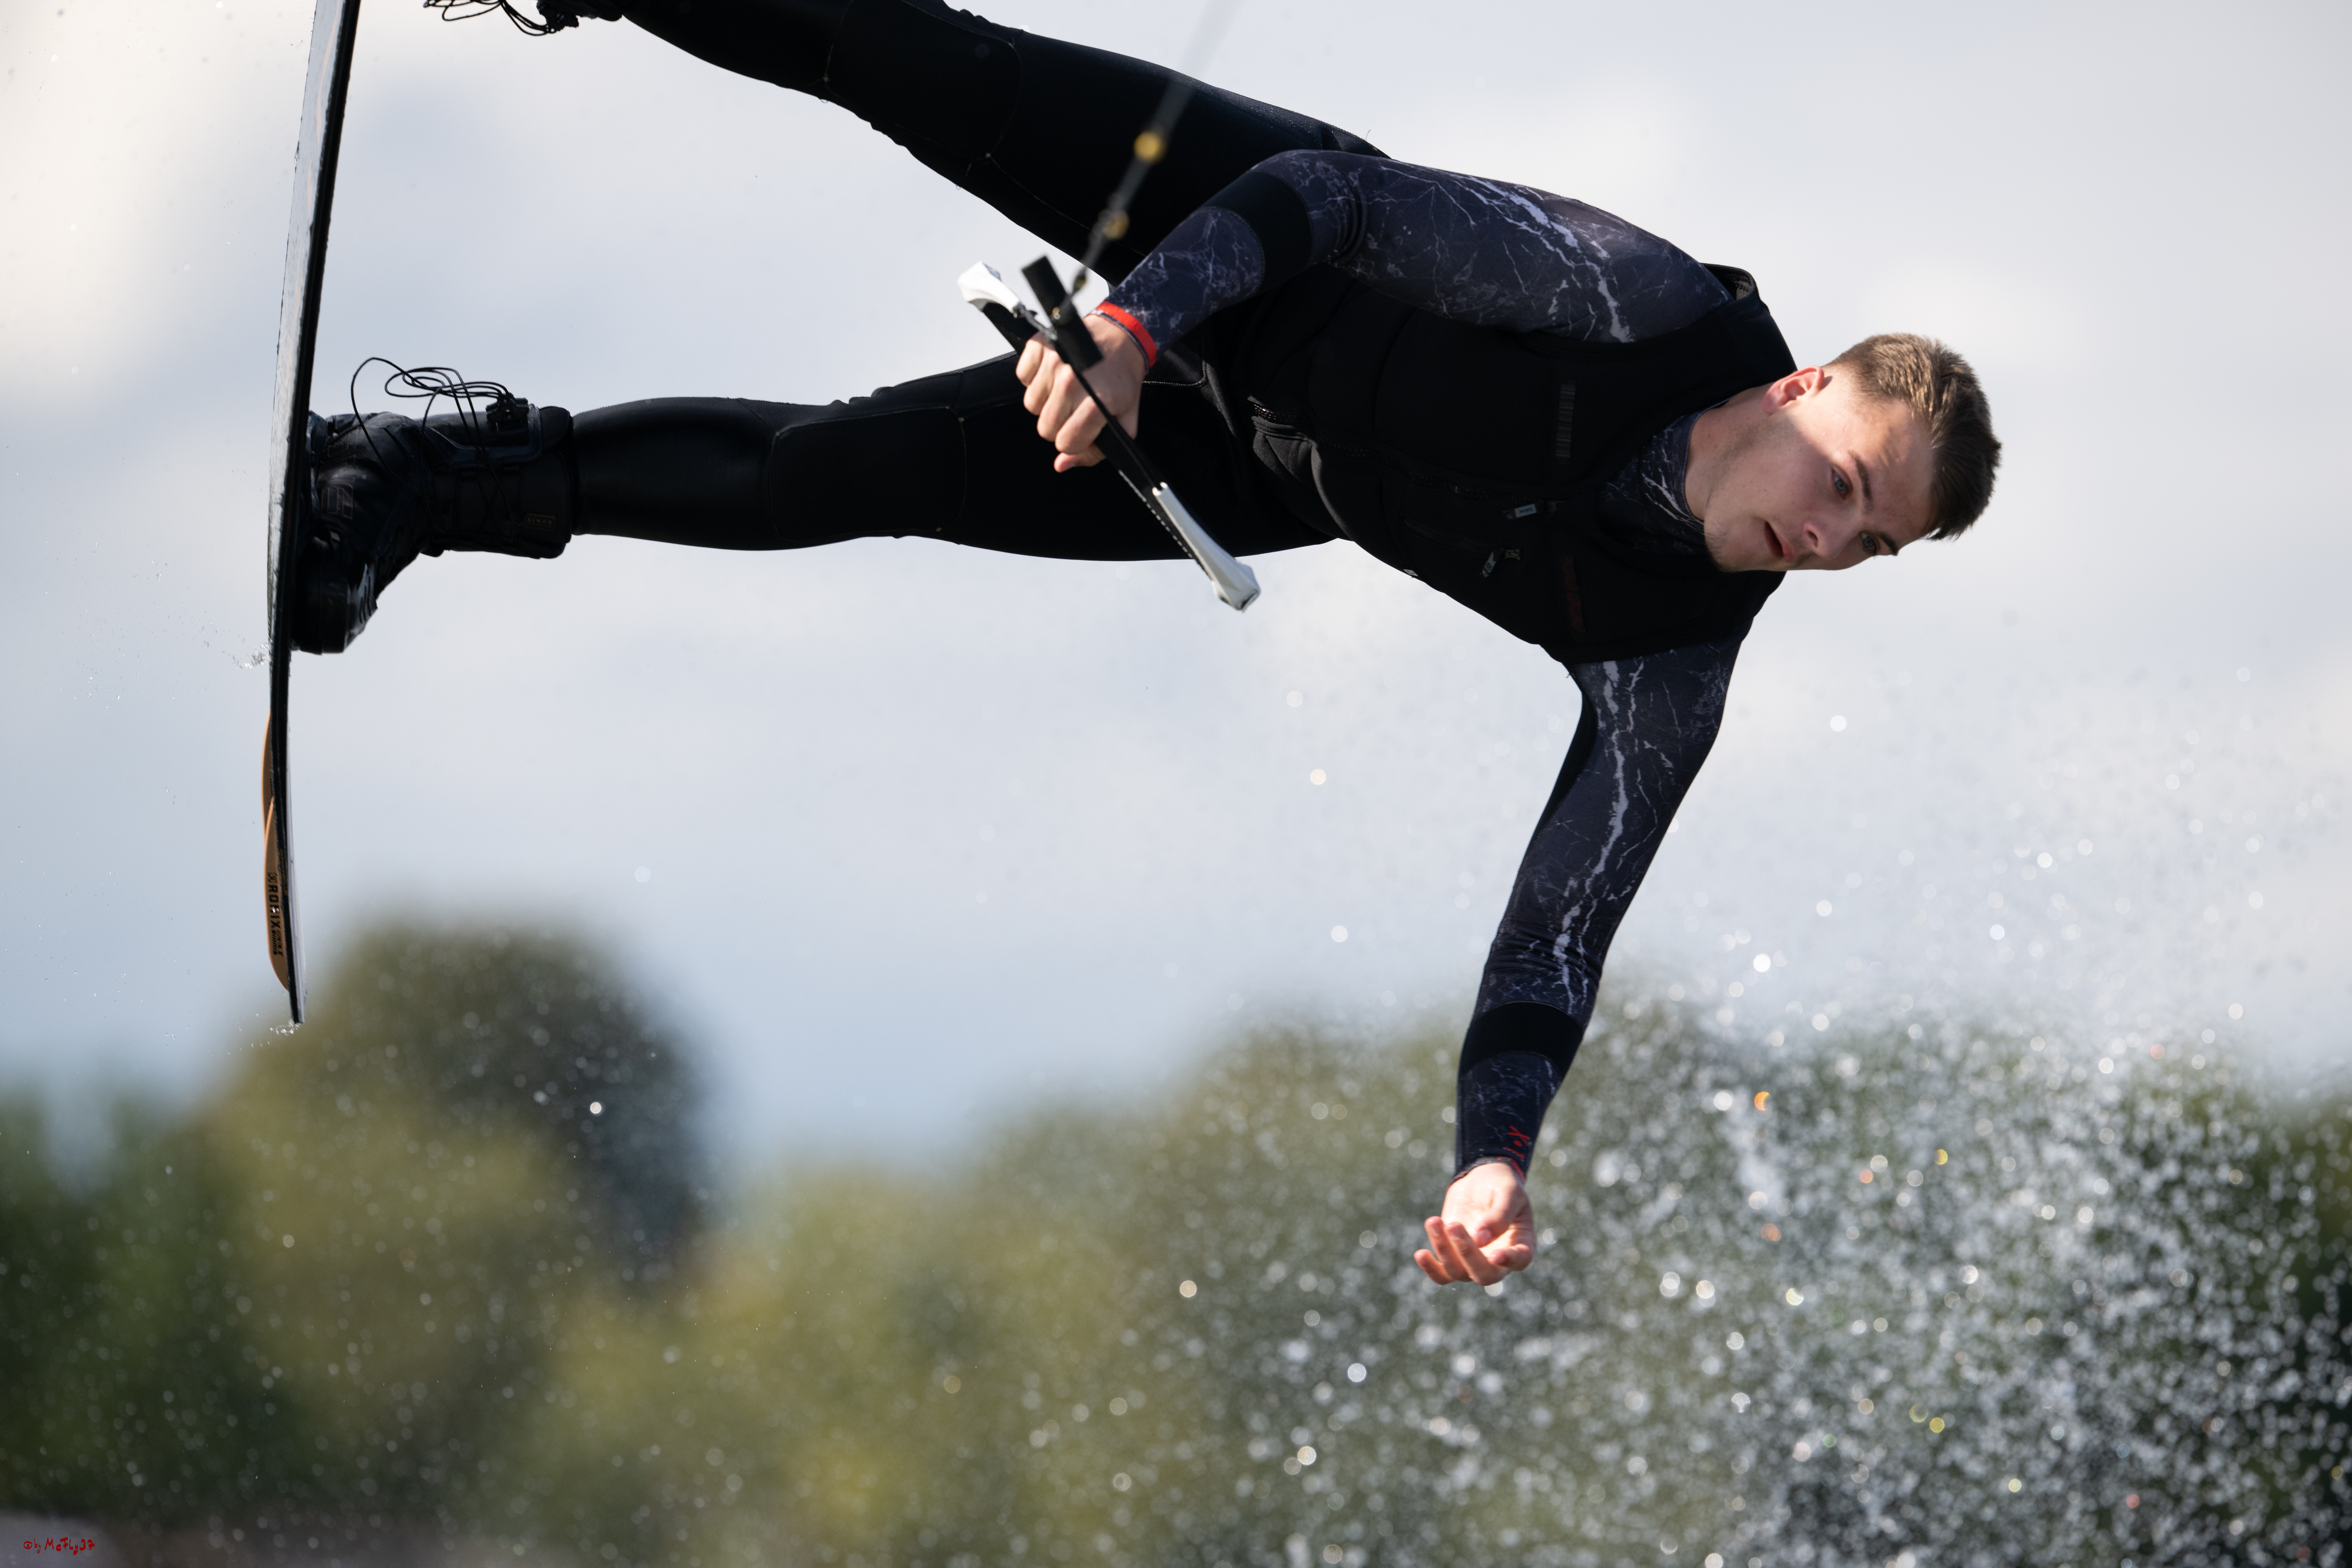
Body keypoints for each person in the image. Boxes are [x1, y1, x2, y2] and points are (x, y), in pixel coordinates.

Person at [291, 0, 2001, 1290]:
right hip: (1240, 244)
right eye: (1845, 482)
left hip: (1241, 458)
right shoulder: (1639, 307)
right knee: (907, 60)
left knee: (839, 473)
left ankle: (404, 485)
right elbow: (1331, 199)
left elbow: (1559, 933)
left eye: (1874, 543)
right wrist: (1129, 324)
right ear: (1794, 392)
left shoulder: (1677, 655)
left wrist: (1497, 1159)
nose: (1830, 536)